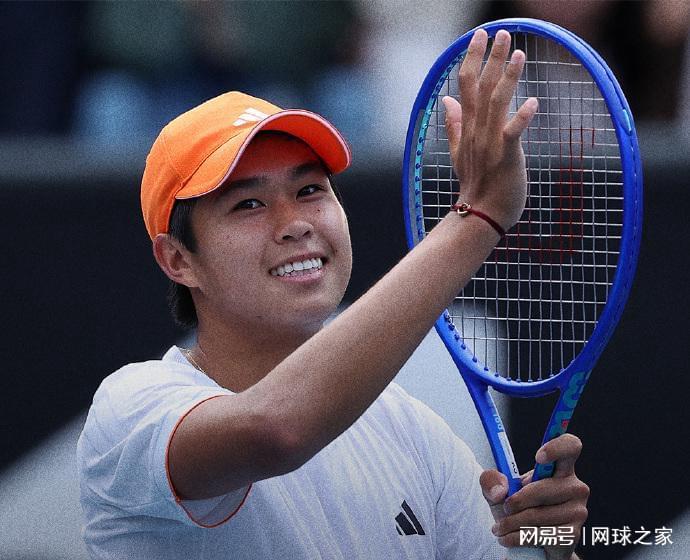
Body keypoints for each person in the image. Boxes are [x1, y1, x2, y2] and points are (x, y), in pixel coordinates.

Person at [78, 30, 588, 559]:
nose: (295, 223)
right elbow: (276, 431)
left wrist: (553, 548)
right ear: (178, 260)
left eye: (309, 190)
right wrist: (479, 217)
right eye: (248, 204)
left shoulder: (417, 435)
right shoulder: (132, 407)